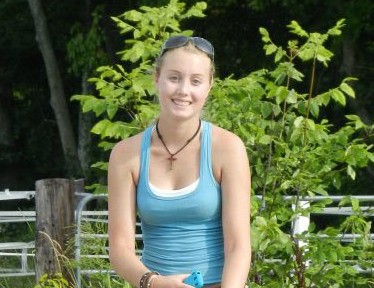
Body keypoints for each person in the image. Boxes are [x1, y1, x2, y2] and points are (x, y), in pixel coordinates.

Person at [108, 35, 251, 288]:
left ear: (209, 86)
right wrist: (153, 283)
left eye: (196, 81)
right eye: (174, 78)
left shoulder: (228, 148)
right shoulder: (124, 155)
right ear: (157, 79)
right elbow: (120, 249)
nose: (183, 90)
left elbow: (238, 246)